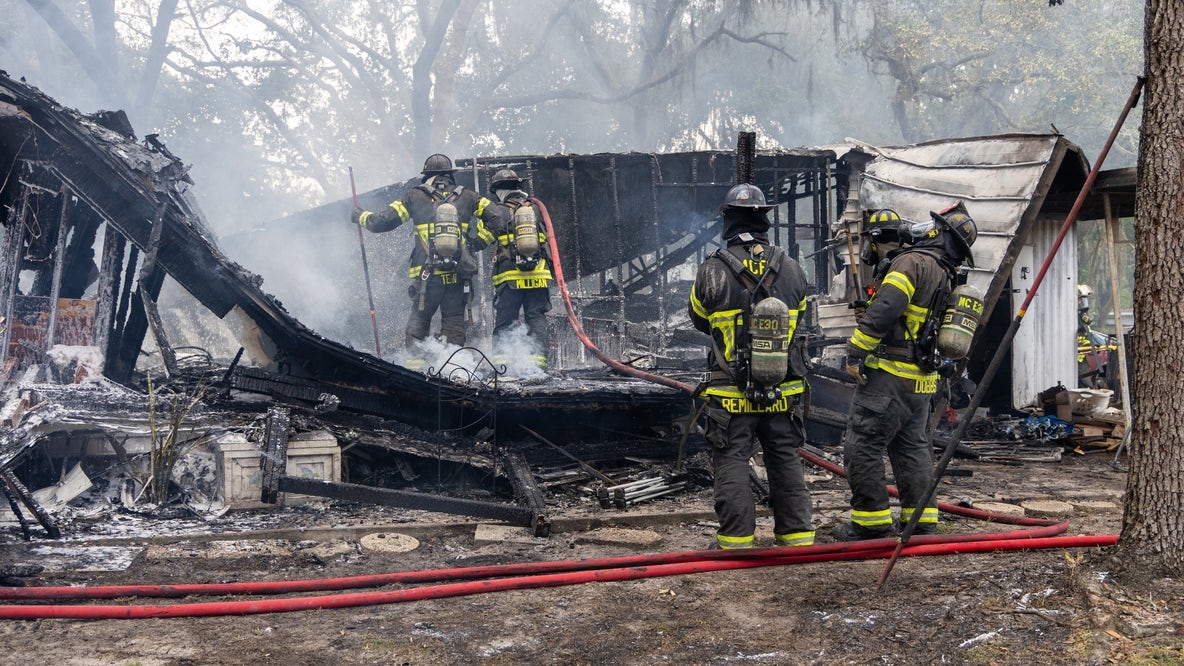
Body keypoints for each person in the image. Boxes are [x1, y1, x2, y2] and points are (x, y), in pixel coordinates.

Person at [833, 203, 978, 540]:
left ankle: (870, 525)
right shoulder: (946, 272)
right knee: (912, 448)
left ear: (940, 234)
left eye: (934, 226)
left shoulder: (911, 262)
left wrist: (856, 351)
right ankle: (921, 523)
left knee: (863, 445)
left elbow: (887, 307)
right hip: (922, 380)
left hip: (890, 377)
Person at [688, 183, 814, 550]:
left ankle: (736, 541)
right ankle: (797, 537)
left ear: (728, 220)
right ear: (765, 221)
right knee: (785, 460)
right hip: (783, 391)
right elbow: (800, 320)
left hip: (730, 393)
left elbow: (699, 319)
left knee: (732, 461)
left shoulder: (711, 270)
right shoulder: (793, 269)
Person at [351, 154, 500, 365]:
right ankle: (453, 370)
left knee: (419, 323)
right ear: (450, 175)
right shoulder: (469, 197)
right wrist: (476, 244)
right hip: (458, 277)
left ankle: (415, 371)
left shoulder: (415, 196)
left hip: (426, 278)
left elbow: (381, 222)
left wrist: (359, 216)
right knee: (454, 324)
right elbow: (498, 218)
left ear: (426, 175)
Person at [486, 168, 553, 370]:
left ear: (499, 191)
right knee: (536, 317)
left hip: (510, 278)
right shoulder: (535, 209)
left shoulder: (497, 211)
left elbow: (483, 238)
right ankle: (538, 366)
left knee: (506, 321)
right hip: (538, 275)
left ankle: (503, 367)